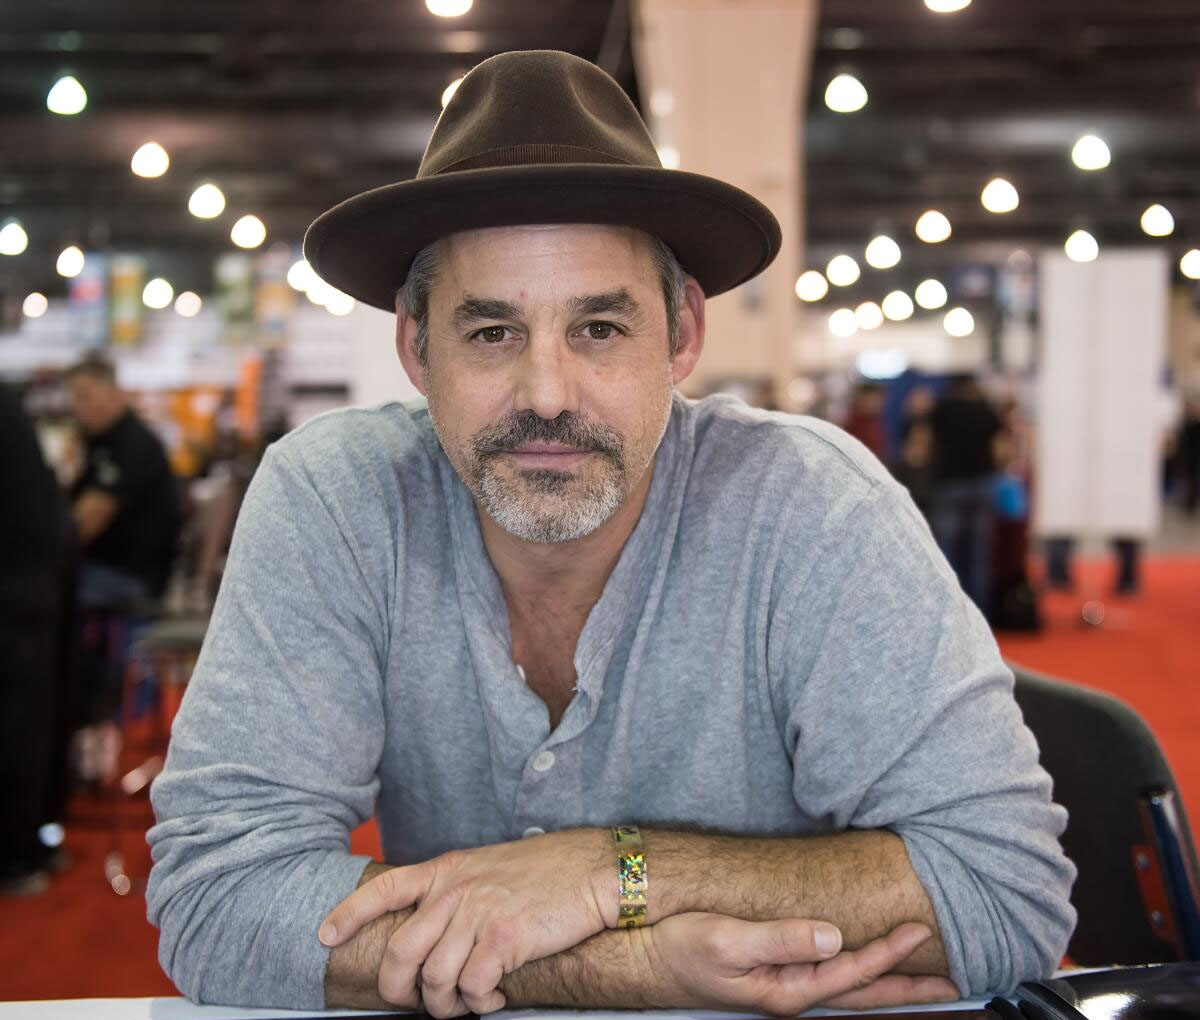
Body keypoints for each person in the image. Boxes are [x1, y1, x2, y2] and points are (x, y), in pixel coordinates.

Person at [146, 50, 1074, 1016]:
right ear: (418, 350)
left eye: (599, 328)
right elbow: (219, 894)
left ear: (682, 336)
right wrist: (633, 963)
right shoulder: (337, 499)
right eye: (492, 332)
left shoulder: (811, 508)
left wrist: (615, 871)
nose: (547, 394)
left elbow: (1003, 891)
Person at [0, 386, 68, 895]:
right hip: (37, 583)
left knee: (18, 723)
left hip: (19, 589)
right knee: (31, 718)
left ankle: (19, 854)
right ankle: (34, 845)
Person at [66, 356, 180, 607]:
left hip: (128, 576)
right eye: (73, 398)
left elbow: (84, 525)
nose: (77, 407)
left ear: (115, 394)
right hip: (104, 567)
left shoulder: (131, 444)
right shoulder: (99, 442)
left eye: (85, 397)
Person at [929, 374, 1002, 618]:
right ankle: (980, 612)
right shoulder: (985, 412)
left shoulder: (942, 410)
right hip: (981, 483)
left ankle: (949, 610)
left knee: (946, 551)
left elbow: (927, 442)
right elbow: (999, 448)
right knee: (978, 553)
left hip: (949, 483)